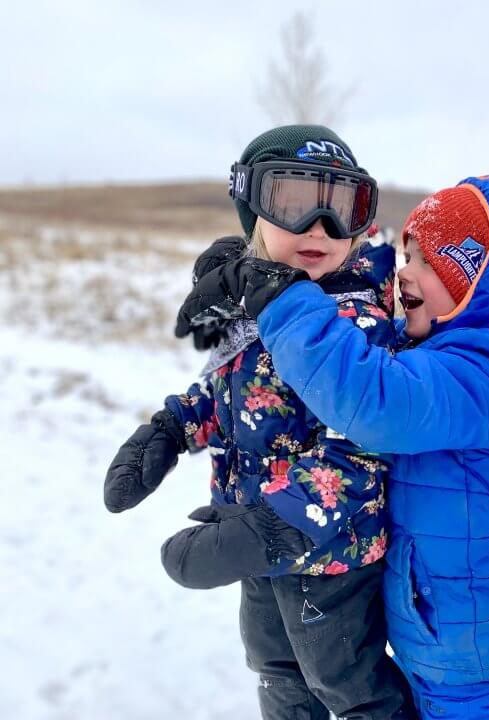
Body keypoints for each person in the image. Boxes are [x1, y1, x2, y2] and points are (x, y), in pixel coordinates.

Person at [174, 174, 489, 720]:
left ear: (475, 283)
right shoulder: (445, 340)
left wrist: (281, 299)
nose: (404, 272)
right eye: (405, 253)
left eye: (424, 262)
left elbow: (371, 398)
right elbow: (370, 321)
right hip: (439, 617)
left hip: (471, 642)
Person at [104, 125, 416, 719]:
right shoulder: (260, 306)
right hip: (255, 541)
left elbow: (358, 453)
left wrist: (270, 529)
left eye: (342, 207)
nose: (320, 228)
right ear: (251, 212)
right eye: (293, 204)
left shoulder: (357, 322)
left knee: (350, 691)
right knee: (277, 677)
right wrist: (172, 429)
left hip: (330, 558)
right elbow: (232, 392)